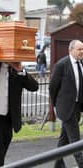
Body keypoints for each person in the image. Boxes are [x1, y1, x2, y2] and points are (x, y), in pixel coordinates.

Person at [0, 61, 39, 167]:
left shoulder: (16, 71)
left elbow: (34, 87)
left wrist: (20, 70)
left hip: (8, 117)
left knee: (1, 154)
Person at [49, 40, 83, 168]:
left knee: (64, 139)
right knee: (75, 139)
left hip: (77, 107)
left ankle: (58, 164)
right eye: (79, 49)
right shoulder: (61, 65)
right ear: (71, 50)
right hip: (66, 108)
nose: (82, 52)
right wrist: (57, 105)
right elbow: (53, 87)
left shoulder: (81, 64)